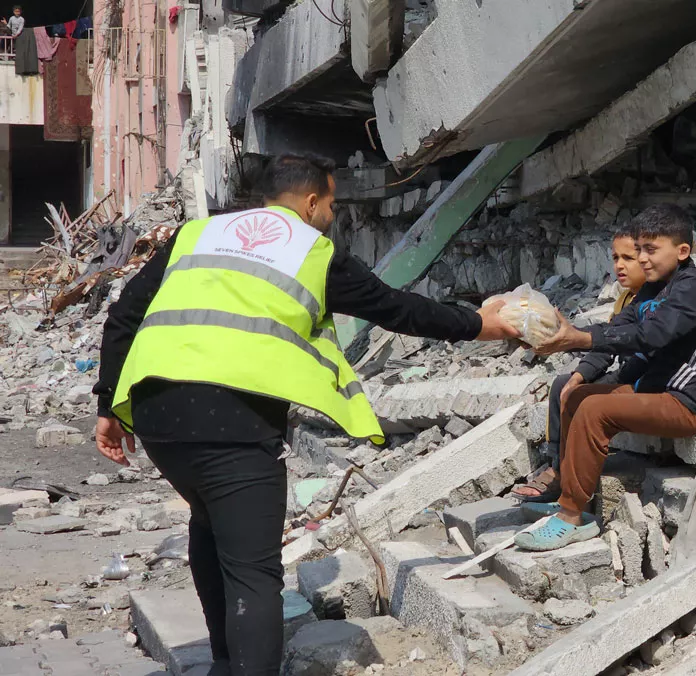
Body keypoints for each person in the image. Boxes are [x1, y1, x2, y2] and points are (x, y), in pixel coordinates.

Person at [91, 154, 519, 676]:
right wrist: (479, 324)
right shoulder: (312, 251)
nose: (331, 217)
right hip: (233, 422)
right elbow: (397, 309)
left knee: (209, 522)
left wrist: (108, 405)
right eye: (332, 206)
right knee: (253, 573)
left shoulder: (195, 234)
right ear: (312, 202)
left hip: (156, 414)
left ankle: (225, 664)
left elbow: (124, 315)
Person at [516, 204, 696, 551]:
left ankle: (570, 519)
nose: (642, 258)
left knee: (595, 410)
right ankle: (571, 499)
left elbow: (652, 335)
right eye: (640, 249)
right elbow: (617, 329)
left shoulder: (695, 287)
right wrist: (579, 364)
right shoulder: (651, 289)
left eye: (651, 250)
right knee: (577, 396)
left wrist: (580, 338)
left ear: (682, 251)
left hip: (691, 401)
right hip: (658, 392)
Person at [513, 227, 647, 502]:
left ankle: (569, 479)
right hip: (625, 372)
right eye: (615, 258)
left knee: (581, 396)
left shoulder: (653, 300)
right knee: (563, 384)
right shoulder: (624, 299)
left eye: (628, 258)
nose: (619, 266)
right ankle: (557, 465)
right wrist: (579, 375)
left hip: (643, 378)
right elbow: (605, 345)